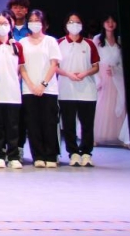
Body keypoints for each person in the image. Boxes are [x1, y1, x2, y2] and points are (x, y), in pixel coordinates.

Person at [18, 9, 61, 168]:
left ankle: (51, 155)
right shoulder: (22, 42)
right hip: (29, 89)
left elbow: (54, 64)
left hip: (48, 89)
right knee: (33, 124)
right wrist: (31, 85)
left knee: (49, 122)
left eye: (37, 20)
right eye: (31, 20)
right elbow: (21, 67)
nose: (34, 23)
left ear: (43, 23)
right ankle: (38, 156)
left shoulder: (50, 41)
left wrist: (43, 84)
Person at [57, 12, 100, 166]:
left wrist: (84, 73)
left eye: (77, 22)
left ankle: (86, 153)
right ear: (66, 25)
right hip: (66, 90)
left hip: (87, 90)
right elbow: (54, 66)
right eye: (71, 22)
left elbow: (96, 66)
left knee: (87, 124)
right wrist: (68, 74)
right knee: (68, 124)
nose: (74, 25)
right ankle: (73, 153)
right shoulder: (59, 43)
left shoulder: (89, 44)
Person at [0, 11, 25, 169]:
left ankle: (13, 155)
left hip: (13, 92)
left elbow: (21, 69)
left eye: (5, 23)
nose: (2, 26)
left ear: (11, 25)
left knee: (13, 126)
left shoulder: (17, 46)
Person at [94, 16, 127, 146]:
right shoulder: (97, 40)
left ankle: (120, 136)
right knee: (101, 104)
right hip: (101, 75)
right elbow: (93, 60)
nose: (110, 24)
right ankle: (95, 136)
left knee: (117, 103)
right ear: (103, 23)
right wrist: (98, 78)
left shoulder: (119, 40)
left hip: (116, 75)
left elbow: (121, 61)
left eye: (113, 21)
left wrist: (116, 70)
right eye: (107, 21)